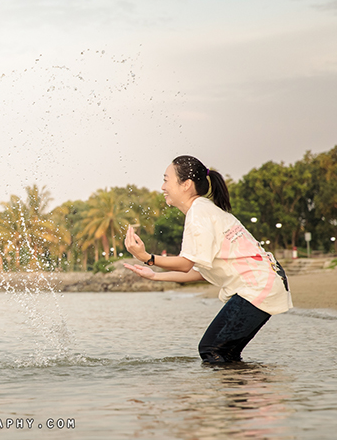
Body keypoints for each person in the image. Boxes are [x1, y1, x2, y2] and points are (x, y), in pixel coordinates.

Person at [124, 155, 292, 363]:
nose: (162, 187)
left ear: (186, 184)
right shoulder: (202, 209)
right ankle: (248, 383)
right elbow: (199, 272)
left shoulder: (199, 212)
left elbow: (185, 264)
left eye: (166, 180)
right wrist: (154, 276)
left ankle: (252, 384)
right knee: (223, 352)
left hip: (258, 285)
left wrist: (147, 257)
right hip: (265, 282)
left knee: (211, 349)